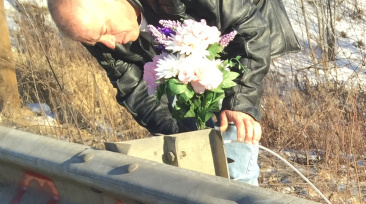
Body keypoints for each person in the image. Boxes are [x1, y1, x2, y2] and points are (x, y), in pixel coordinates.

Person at [47, 0, 299, 185]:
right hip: (176, 53)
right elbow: (133, 87)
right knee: (198, 145)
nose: (109, 44)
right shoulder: (94, 27)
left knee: (230, 127)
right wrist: (188, 139)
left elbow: (250, 32)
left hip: (239, 32)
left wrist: (241, 103)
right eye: (95, 42)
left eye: (105, 31)